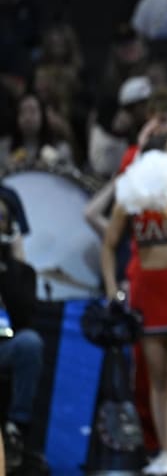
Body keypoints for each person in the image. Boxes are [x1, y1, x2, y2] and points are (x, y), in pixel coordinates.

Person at [101, 132, 167, 475]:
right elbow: (109, 242)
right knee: (156, 376)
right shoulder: (131, 192)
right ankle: (162, 452)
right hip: (147, 290)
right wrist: (113, 288)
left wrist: (164, 211)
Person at [0, 190, 46, 473]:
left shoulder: (20, 272)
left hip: (6, 344)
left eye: (1, 217)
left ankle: (17, 427)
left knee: (30, 343)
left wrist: (12, 264)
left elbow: (25, 316)